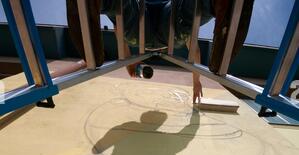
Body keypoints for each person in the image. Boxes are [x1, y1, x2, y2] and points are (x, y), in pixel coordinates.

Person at [66, 1, 254, 103]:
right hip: (169, 28)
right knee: (189, 9)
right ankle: (222, 6)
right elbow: (194, 50)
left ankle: (89, 8)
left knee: (123, 7)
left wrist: (129, 62)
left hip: (140, 27)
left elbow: (119, 33)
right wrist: (196, 81)